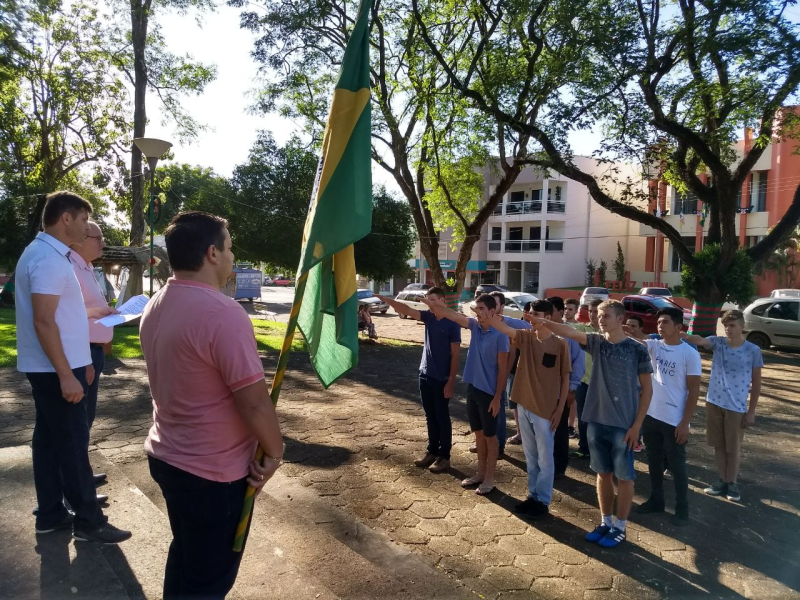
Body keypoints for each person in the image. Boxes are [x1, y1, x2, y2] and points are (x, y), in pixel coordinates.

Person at [140, 212, 284, 597]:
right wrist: (275, 452)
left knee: (188, 556)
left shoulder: (157, 302)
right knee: (208, 579)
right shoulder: (223, 313)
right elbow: (254, 403)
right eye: (230, 247)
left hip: (169, 457)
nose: (233, 256)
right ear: (212, 253)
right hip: (212, 475)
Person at [15, 191, 131, 544]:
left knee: (49, 442)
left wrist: (93, 314)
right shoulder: (48, 259)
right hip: (55, 369)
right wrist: (67, 374)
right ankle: (89, 523)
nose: (86, 227)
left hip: (55, 365)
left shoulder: (47, 253)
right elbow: (43, 321)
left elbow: (60, 313)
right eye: (83, 220)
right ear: (65, 218)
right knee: (72, 444)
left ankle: (51, 514)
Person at [530, 300, 653, 548]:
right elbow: (569, 332)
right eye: (598, 315)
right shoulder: (596, 342)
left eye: (606, 315)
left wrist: (637, 426)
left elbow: (648, 390)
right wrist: (543, 322)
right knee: (602, 473)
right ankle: (606, 522)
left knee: (624, 477)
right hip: (596, 420)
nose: (600, 319)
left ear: (620, 319)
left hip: (623, 425)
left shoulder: (637, 349)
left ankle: (620, 527)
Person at [421, 293, 508, 495]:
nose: (477, 312)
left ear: (492, 311)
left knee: (491, 437)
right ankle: (480, 474)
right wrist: (431, 304)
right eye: (476, 308)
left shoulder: (501, 334)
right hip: (473, 389)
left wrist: (497, 397)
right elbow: (452, 314)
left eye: (481, 309)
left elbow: (503, 370)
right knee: (479, 434)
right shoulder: (475, 326)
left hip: (489, 393)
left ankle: (489, 479)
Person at [491, 300, 571, 519]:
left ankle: (543, 501)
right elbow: (506, 329)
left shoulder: (560, 344)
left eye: (536, 314)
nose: (531, 317)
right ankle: (533, 495)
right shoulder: (526, 337)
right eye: (529, 313)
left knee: (545, 458)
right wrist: (489, 317)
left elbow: (565, 379)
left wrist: (559, 410)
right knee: (531, 456)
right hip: (524, 405)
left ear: (548, 317)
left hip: (545, 410)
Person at [683, 309, 763, 503]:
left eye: (732, 325)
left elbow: (757, 383)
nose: (728, 329)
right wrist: (683, 335)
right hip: (714, 402)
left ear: (742, 326)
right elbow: (700, 340)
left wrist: (751, 412)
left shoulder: (753, 350)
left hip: (736, 407)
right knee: (718, 444)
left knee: (732, 447)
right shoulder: (718, 343)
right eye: (726, 325)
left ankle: (732, 483)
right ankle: (722, 480)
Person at [378, 288, 461, 473]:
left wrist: (451, 382)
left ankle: (444, 457)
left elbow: (456, 355)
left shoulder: (453, 322)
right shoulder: (429, 317)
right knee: (430, 415)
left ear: (443, 300)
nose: (429, 303)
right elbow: (407, 310)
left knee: (442, 416)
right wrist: (387, 300)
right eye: (427, 299)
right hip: (425, 374)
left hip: (442, 378)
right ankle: (432, 451)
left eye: (433, 300)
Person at [632, 308, 701, 526]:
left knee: (677, 465)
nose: (660, 326)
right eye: (659, 322)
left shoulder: (690, 354)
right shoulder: (655, 346)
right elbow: (635, 340)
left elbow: (694, 392)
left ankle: (682, 509)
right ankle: (656, 500)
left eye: (666, 322)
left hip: (674, 420)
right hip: (652, 415)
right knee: (653, 461)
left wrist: (685, 423)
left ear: (679, 327)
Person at [69, 220, 118, 498]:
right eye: (98, 238)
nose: (103, 243)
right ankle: (76, 491)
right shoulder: (70, 267)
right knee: (76, 424)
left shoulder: (86, 266)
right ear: (80, 238)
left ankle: (81, 476)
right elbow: (67, 317)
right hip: (83, 351)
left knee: (85, 420)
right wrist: (83, 358)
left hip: (93, 350)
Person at [546, 296, 585, 478]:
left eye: (551, 311)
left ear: (560, 312)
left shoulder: (570, 334)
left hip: (562, 392)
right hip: (542, 392)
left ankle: (559, 467)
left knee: (559, 430)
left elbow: (579, 364)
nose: (546, 314)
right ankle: (544, 465)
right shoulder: (541, 331)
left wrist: (572, 389)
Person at [569, 298, 602, 460]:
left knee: (600, 419)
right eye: (590, 311)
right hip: (584, 382)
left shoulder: (608, 332)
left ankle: (600, 451)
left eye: (596, 312)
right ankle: (584, 447)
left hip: (603, 384)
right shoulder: (583, 328)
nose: (593, 315)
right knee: (583, 417)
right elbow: (567, 328)